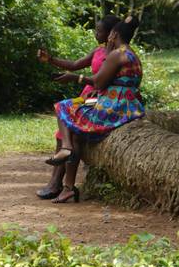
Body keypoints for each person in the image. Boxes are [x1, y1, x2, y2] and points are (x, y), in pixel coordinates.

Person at [47, 16, 145, 203]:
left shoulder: (117, 54)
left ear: (114, 34)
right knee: (75, 131)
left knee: (63, 106)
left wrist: (74, 78)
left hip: (114, 106)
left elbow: (99, 82)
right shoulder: (132, 53)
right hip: (128, 104)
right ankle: (68, 187)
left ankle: (65, 148)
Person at [35, 15, 121, 200]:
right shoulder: (99, 50)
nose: (95, 33)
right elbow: (75, 65)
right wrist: (50, 59)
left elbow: (114, 81)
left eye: (99, 31)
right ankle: (56, 181)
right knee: (62, 128)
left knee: (69, 125)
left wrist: (95, 89)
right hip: (87, 95)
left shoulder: (118, 55)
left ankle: (58, 182)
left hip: (102, 97)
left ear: (111, 33)